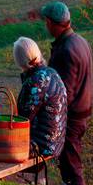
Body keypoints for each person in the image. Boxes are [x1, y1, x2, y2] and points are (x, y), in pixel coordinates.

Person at [35, 0, 93, 185]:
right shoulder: (80, 42)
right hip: (82, 113)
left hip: (71, 118)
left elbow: (63, 93)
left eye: (46, 21)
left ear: (52, 23)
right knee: (70, 162)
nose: (46, 25)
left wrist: (50, 117)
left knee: (71, 166)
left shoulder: (66, 50)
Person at [13, 36, 67, 167]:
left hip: (41, 145)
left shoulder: (35, 82)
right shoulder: (51, 72)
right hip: (57, 142)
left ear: (20, 61)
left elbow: (22, 120)